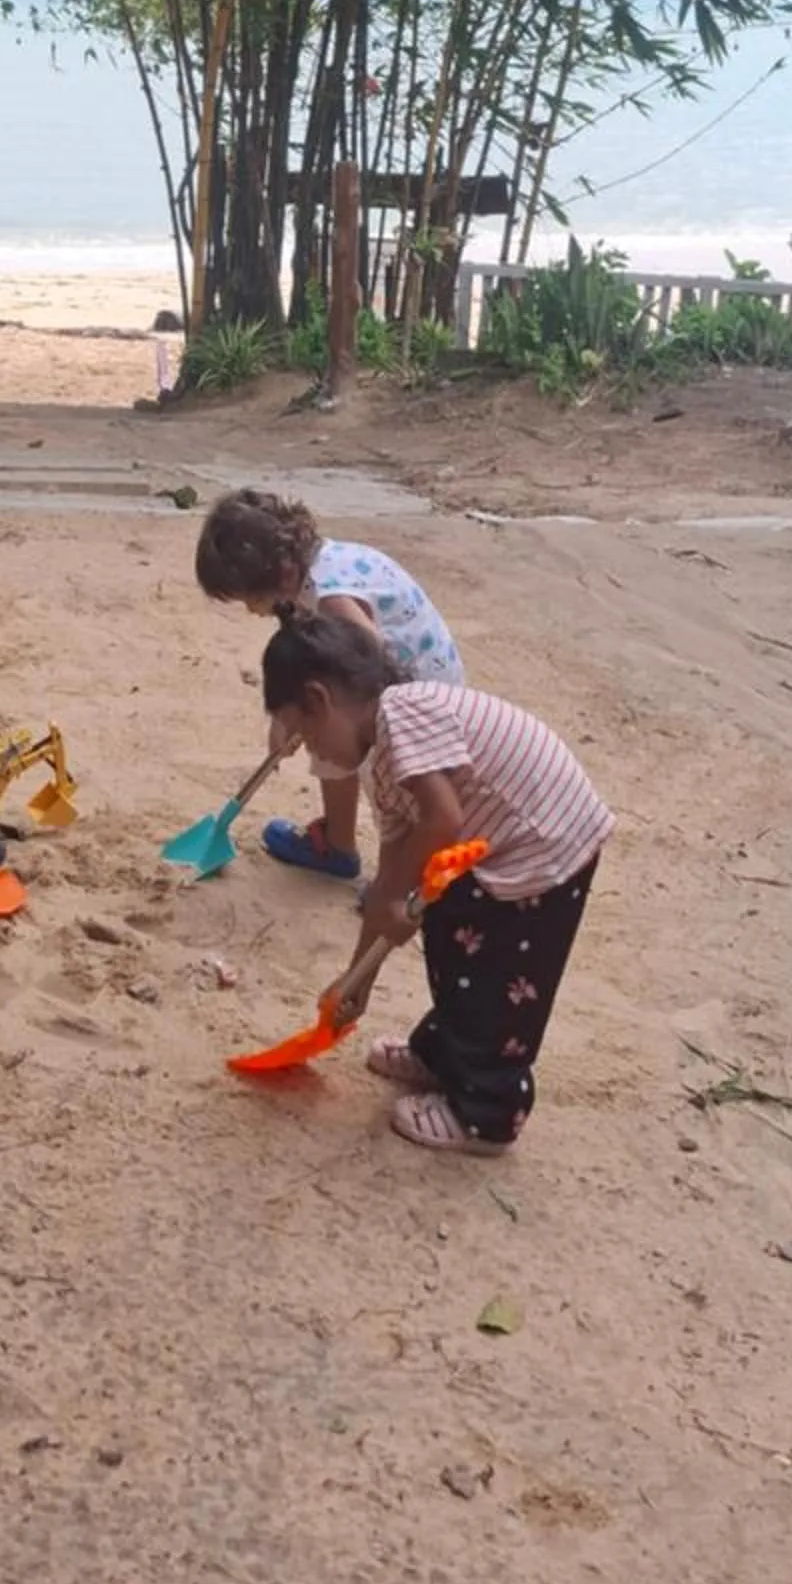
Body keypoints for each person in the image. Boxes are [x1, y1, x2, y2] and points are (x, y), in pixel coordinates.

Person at [261, 607, 610, 1156]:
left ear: (320, 700)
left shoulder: (403, 718)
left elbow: (442, 819)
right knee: (450, 940)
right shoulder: (381, 758)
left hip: (544, 847)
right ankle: (442, 1054)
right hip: (491, 847)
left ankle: (488, 1116)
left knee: (498, 979)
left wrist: (399, 898)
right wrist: (357, 981)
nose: (314, 754)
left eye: (306, 736)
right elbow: (392, 873)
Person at [194, 489, 465, 881]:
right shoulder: (306, 575)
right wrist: (288, 719)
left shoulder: (332, 597)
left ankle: (409, 876)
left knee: (386, 775)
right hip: (380, 678)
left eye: (251, 599)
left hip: (411, 689)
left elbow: (368, 666)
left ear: (282, 574)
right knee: (325, 736)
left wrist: (323, 715)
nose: (252, 611)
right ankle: (339, 846)